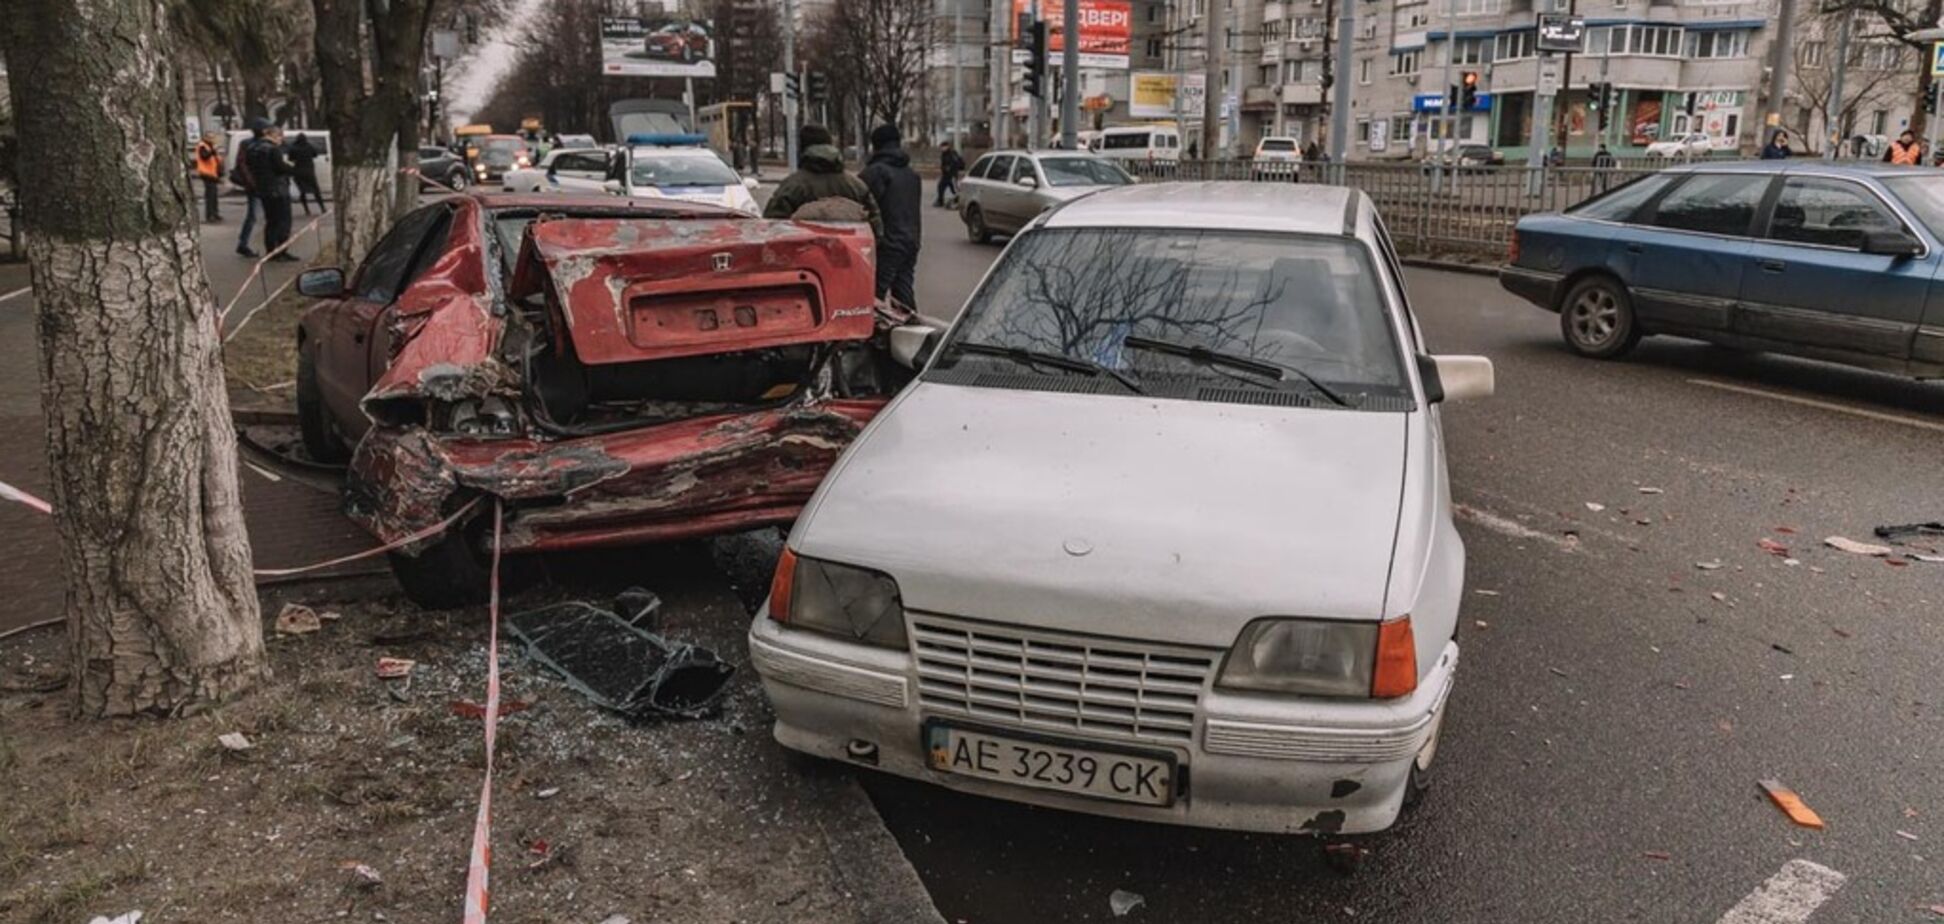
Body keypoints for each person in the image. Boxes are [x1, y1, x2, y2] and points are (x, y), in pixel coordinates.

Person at [762, 124, 882, 238]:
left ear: (802, 149)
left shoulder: (791, 186)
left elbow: (772, 227)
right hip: (851, 251)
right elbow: (876, 227)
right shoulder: (856, 186)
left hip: (804, 251)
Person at [859, 124, 923, 311]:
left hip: (887, 243)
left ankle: (873, 329)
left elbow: (860, 205)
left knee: (872, 296)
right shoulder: (912, 174)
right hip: (911, 240)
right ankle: (912, 326)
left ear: (876, 145)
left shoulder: (875, 173)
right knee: (903, 293)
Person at [247, 125, 299, 261]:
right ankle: (281, 251)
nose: (281, 139)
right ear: (274, 135)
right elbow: (280, 167)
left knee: (271, 221)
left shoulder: (253, 148)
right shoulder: (273, 149)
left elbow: (250, 166)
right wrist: (292, 168)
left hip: (263, 189)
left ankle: (271, 251)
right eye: (280, 136)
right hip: (278, 189)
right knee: (283, 221)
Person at [233, 118, 268, 257]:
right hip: (255, 185)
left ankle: (245, 243)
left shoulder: (260, 143)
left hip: (262, 183)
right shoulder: (248, 144)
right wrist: (251, 183)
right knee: (253, 215)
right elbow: (242, 164)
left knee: (259, 216)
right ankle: (243, 244)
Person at [287, 133, 325, 216]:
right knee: (316, 191)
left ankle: (307, 210)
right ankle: (322, 208)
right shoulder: (309, 146)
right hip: (309, 171)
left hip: (298, 171)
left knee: (302, 191)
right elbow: (315, 154)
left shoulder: (293, 147)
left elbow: (290, 158)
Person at [193, 132, 224, 223]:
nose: (212, 139)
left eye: (213, 137)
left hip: (212, 174)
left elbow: (215, 160)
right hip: (206, 173)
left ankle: (215, 213)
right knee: (210, 195)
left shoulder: (210, 146)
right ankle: (210, 215)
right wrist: (213, 151)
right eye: (210, 137)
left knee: (214, 195)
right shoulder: (202, 146)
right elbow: (204, 157)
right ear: (205, 137)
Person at [935, 141, 965, 208]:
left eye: (943, 147)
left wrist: (950, 167)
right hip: (945, 175)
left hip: (952, 175)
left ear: (947, 146)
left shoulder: (952, 153)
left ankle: (959, 201)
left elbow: (957, 162)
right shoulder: (943, 154)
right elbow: (943, 164)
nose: (942, 148)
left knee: (954, 189)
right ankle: (940, 201)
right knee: (940, 187)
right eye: (941, 147)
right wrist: (944, 168)